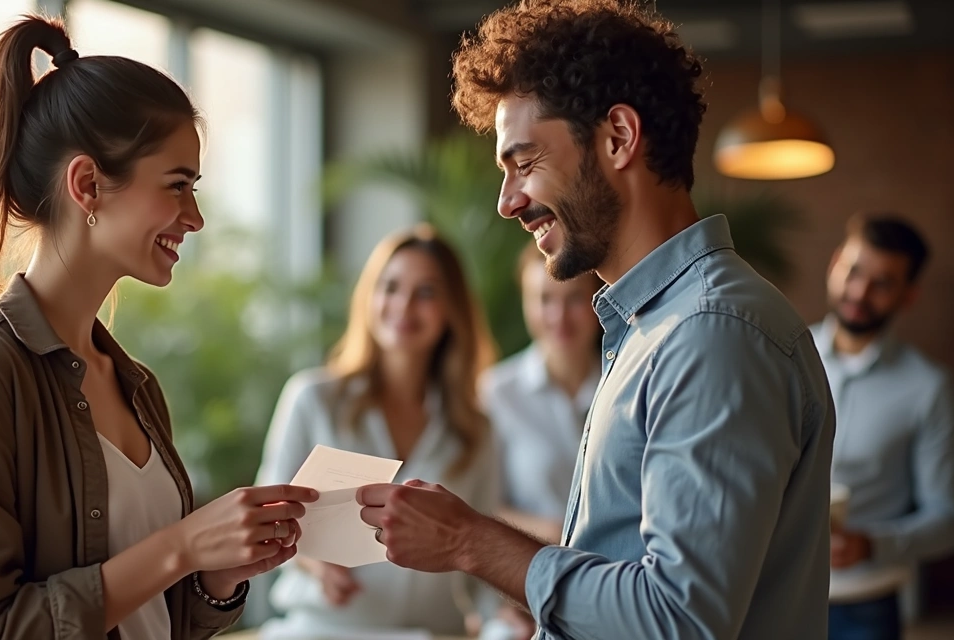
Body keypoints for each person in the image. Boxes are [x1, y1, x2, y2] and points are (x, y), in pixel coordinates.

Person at [355, 2, 836, 639]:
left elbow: (678, 620)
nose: (507, 202)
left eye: (524, 163)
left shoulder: (712, 334)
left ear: (618, 137)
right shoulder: (651, 329)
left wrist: (472, 542)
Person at [0, 16, 316, 640]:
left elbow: (153, 617)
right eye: (177, 186)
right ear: (88, 185)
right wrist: (180, 546)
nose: (194, 217)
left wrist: (216, 575)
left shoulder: (135, 386)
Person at [255, 224, 501, 636]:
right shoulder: (313, 399)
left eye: (426, 292)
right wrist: (313, 564)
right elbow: (265, 518)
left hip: (432, 634)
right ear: (369, 298)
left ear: (451, 309)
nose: (404, 306)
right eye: (390, 287)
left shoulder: (477, 432)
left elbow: (483, 556)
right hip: (325, 629)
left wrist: (504, 621)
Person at [814, 214, 954, 640]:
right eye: (854, 271)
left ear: (908, 296)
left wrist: (871, 545)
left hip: (866, 606)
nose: (860, 292)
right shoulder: (782, 359)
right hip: (775, 590)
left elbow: (946, 518)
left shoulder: (928, 388)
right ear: (835, 263)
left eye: (883, 283)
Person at [480, 240, 602, 640]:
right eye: (543, 299)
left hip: (611, 581)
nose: (558, 316)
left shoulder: (625, 387)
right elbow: (480, 502)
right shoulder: (496, 393)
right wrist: (553, 530)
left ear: (597, 301)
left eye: (573, 300)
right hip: (522, 580)